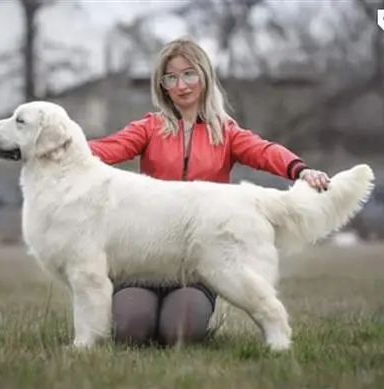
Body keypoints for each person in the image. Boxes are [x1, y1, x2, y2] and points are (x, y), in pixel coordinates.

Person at [87, 38, 330, 347]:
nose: (181, 85)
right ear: (162, 86)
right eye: (171, 77)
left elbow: (264, 151)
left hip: (199, 265)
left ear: (204, 76)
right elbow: (104, 149)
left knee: (179, 332)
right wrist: (55, 145)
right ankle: (138, 314)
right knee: (131, 330)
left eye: (189, 74)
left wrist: (300, 170)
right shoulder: (149, 128)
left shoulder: (225, 131)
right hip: (142, 263)